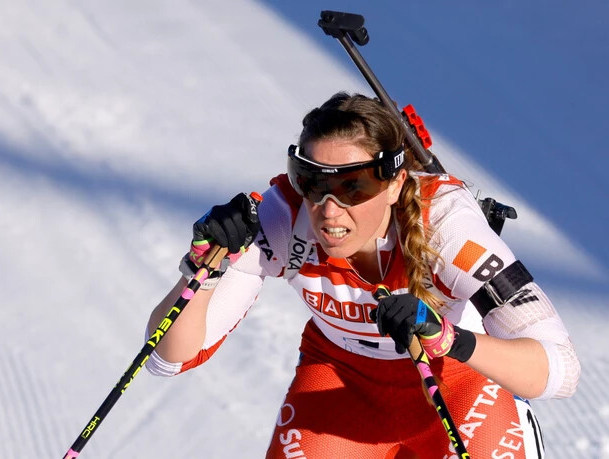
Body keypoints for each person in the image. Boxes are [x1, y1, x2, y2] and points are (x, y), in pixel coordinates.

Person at [145, 93, 579, 458]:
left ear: (394, 184)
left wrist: (450, 339)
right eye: (311, 181)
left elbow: (559, 369)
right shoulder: (285, 215)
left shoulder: (447, 226)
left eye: (354, 186)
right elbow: (170, 358)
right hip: (344, 380)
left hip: (457, 381)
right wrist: (204, 271)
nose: (329, 210)